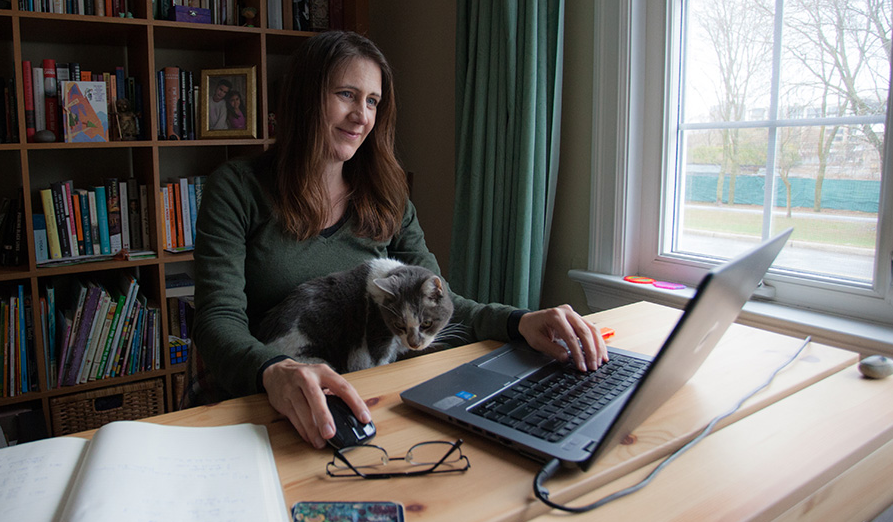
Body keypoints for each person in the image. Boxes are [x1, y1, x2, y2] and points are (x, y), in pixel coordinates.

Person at [191, 31, 607, 449]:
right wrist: (274, 369)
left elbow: (442, 305)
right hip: (267, 403)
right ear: (304, 98)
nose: (361, 116)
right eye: (347, 94)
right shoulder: (237, 188)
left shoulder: (388, 197)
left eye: (372, 101)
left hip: (367, 401)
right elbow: (218, 318)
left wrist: (518, 321)